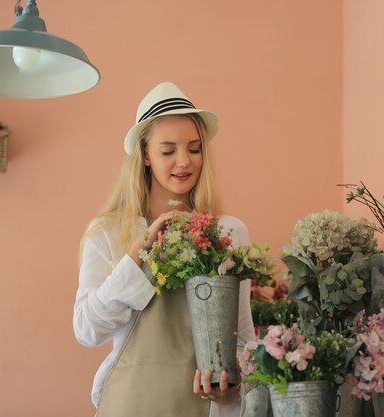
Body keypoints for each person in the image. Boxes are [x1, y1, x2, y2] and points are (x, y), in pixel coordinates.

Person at [73, 82, 255, 417]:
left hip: (203, 408)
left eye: (194, 148)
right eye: (168, 150)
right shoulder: (109, 232)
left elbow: (241, 335)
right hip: (128, 405)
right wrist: (136, 256)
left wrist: (232, 391)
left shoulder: (230, 232)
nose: (184, 161)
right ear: (144, 155)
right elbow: (87, 330)